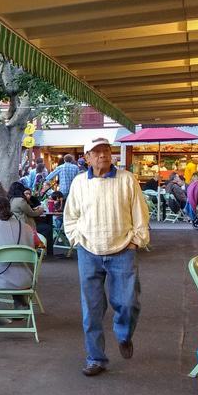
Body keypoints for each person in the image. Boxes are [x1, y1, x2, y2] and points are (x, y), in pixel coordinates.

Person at [64, 137, 150, 377]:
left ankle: (124, 334)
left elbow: (140, 213)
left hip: (123, 249)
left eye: (106, 150)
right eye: (96, 151)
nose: (103, 155)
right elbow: (70, 216)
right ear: (87, 158)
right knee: (91, 308)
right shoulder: (80, 183)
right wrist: (76, 238)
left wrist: (136, 241)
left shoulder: (126, 180)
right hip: (88, 251)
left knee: (128, 302)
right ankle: (95, 358)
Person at [0, 195, 36, 308]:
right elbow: (31, 252)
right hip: (25, 279)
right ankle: (19, 300)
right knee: (14, 266)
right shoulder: (26, 227)